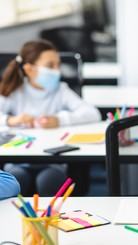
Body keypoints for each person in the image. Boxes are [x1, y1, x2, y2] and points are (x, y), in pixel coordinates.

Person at [0, 39, 101, 196]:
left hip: (53, 162)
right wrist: (10, 120)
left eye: (58, 65)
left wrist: (60, 119)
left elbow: (92, 113)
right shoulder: (15, 90)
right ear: (29, 69)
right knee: (17, 181)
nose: (57, 70)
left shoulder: (60, 90)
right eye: (50, 66)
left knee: (49, 181)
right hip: (18, 162)